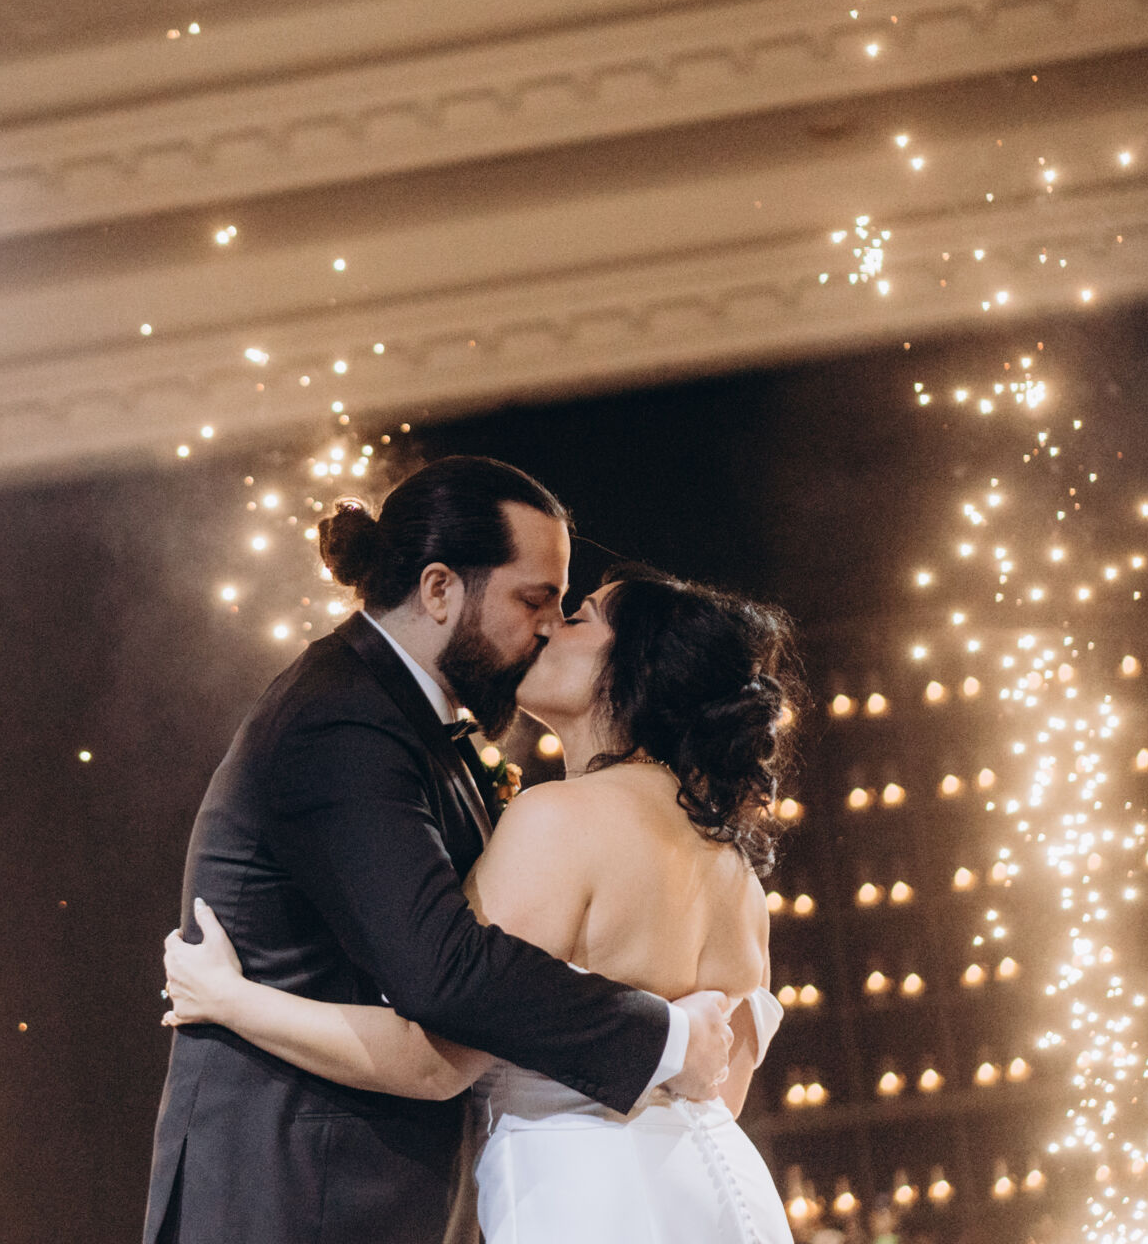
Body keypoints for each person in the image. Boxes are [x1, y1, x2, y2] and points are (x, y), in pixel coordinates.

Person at [142, 458, 738, 1244]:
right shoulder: (340, 721)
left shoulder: (421, 730)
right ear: (438, 590)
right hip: (296, 1199)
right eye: (534, 600)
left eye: (563, 609)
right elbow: (445, 974)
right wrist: (663, 1037)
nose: (548, 627)